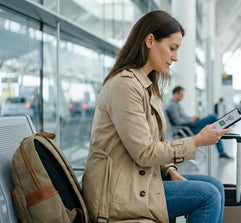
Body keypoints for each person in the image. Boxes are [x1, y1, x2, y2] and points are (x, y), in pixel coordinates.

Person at [82, 11, 229, 223]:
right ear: (150, 40)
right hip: (117, 195)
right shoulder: (125, 86)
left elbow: (150, 144)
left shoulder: (146, 87)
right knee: (208, 195)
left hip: (137, 181)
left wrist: (169, 170)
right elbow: (144, 152)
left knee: (214, 185)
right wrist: (197, 141)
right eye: (172, 48)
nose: (175, 57)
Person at [166, 86, 232, 159]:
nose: (182, 97)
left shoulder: (176, 104)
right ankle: (222, 144)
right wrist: (191, 120)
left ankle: (221, 148)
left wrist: (191, 118)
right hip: (188, 128)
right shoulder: (171, 105)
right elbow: (177, 121)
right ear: (176, 93)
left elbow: (183, 117)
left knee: (213, 121)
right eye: (182, 95)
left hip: (189, 125)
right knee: (213, 116)